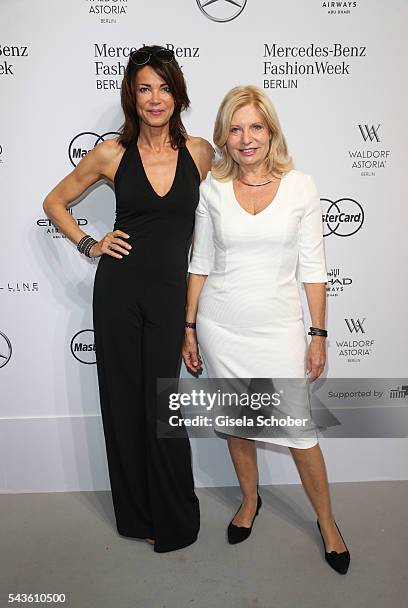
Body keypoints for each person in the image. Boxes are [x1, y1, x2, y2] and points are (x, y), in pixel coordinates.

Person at [43, 45, 213, 553]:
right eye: (144, 88)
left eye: (163, 87)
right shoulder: (111, 154)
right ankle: (139, 517)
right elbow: (54, 201)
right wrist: (89, 243)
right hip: (118, 292)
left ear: (176, 93)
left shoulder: (201, 153)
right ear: (132, 97)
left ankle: (174, 516)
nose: (154, 98)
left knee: (162, 405)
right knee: (124, 404)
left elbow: (232, 200)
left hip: (167, 297)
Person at [183, 86, 350, 573]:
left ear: (271, 131)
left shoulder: (301, 186)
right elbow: (202, 262)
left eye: (255, 126)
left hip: (278, 328)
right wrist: (189, 326)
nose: (245, 138)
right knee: (238, 424)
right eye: (235, 129)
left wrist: (318, 334)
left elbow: (313, 267)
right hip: (221, 325)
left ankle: (328, 522)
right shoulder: (211, 188)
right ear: (224, 138)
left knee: (300, 433)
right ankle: (249, 501)